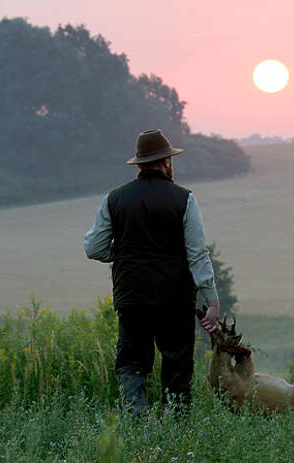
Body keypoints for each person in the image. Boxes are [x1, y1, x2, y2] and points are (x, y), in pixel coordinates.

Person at [84, 129, 220, 416]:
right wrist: (211, 297)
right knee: (177, 367)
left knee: (132, 363)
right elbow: (197, 254)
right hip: (175, 299)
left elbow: (93, 247)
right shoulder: (185, 199)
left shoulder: (114, 199)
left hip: (132, 296)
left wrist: (123, 254)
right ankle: (177, 431)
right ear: (167, 162)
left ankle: (137, 422)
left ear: (139, 164)